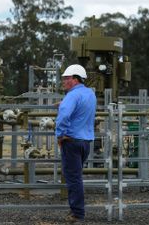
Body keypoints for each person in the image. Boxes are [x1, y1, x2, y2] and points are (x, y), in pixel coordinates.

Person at [55, 64, 96, 222]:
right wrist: (64, 103)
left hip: (71, 141)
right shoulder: (90, 94)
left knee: (73, 178)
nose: (64, 81)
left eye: (66, 78)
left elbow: (64, 115)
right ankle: (77, 211)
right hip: (85, 141)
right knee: (76, 176)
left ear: (75, 79)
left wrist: (60, 135)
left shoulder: (71, 96)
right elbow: (81, 108)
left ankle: (77, 213)